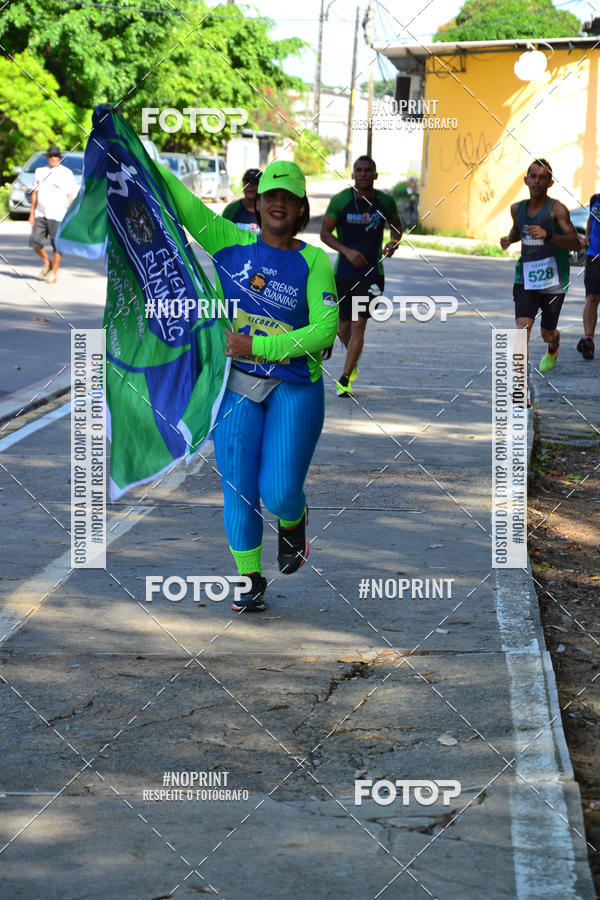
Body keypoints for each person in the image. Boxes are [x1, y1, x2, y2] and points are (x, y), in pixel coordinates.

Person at [160, 159, 338, 611]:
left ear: (301, 209)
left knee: (278, 491)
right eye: (270, 196)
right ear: (256, 203)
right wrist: (126, 142)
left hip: (294, 384)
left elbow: (324, 330)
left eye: (289, 198)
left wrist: (258, 344)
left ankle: (293, 520)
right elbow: (182, 203)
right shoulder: (230, 241)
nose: (278, 204)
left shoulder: (314, 259)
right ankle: (249, 578)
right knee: (238, 485)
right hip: (237, 384)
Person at [320, 155, 403, 397]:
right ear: (353, 174)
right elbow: (325, 233)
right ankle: (352, 359)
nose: (364, 174)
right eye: (359, 170)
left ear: (375, 175)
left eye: (368, 170)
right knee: (343, 326)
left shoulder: (385, 202)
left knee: (359, 324)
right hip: (343, 273)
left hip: (371, 275)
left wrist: (393, 242)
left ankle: (344, 379)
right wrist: (346, 251)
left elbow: (398, 227)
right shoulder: (341, 201)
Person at [500, 159, 579, 387]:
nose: (537, 181)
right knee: (522, 329)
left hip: (553, 282)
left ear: (550, 182)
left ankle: (553, 344)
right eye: (533, 176)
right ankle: (519, 384)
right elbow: (518, 231)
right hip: (525, 278)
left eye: (542, 177)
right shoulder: (517, 208)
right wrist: (509, 239)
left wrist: (549, 236)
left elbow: (575, 243)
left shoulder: (557, 210)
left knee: (546, 332)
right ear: (526, 180)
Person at [28, 145, 76, 284]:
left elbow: (70, 197)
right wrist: (31, 213)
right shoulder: (40, 171)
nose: (53, 158)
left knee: (57, 245)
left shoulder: (66, 173)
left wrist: (70, 215)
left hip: (58, 214)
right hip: (40, 213)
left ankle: (54, 273)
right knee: (35, 242)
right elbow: (35, 194)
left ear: (59, 158)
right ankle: (47, 262)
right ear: (47, 157)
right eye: (51, 156)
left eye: (56, 156)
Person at [577, 193, 600, 360]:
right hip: (594, 256)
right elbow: (591, 219)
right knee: (591, 298)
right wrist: (586, 236)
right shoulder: (596, 199)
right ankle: (588, 341)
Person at [222, 168, 262, 233]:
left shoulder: (267, 210)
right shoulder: (231, 210)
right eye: (247, 182)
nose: (250, 186)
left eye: (254, 183)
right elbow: (222, 233)